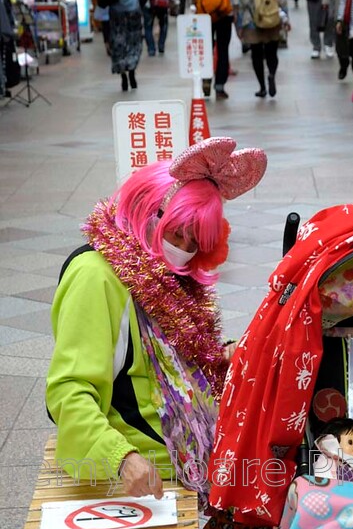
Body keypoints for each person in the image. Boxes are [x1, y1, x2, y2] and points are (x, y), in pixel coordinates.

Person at [46, 137, 267, 510]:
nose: (183, 246)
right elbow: (67, 392)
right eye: (176, 231)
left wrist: (220, 356)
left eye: (194, 239)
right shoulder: (96, 276)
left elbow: (173, 362)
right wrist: (121, 458)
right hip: (151, 467)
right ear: (144, 210)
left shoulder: (166, 272)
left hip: (194, 451)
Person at [188, 0, 240, 99]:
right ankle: (220, 86)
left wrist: (193, 1)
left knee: (204, 47)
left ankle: (205, 78)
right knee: (223, 48)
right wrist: (235, 8)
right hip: (224, 9)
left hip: (203, 9)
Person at [238, 0, 289, 98]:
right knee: (272, 52)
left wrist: (239, 25)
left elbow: (240, 3)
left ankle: (262, 87)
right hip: (272, 19)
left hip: (252, 21)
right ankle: (272, 74)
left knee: (256, 54)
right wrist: (286, 18)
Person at [101, 0, 144, 91]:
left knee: (119, 41)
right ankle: (132, 70)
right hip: (133, 8)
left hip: (116, 9)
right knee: (134, 41)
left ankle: (123, 74)